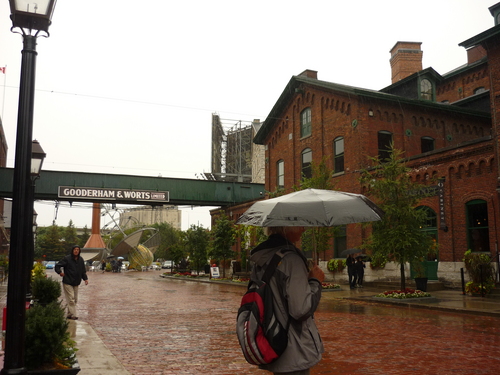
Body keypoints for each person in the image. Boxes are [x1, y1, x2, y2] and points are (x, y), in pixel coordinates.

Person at [249, 226, 324, 375]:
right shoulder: (291, 260)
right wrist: (315, 281)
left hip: (272, 338)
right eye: (299, 224)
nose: (303, 229)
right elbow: (300, 310)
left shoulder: (261, 258)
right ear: (285, 227)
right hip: (293, 347)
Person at [55, 245, 89, 320]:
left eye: (77, 249)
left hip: (76, 282)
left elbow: (83, 271)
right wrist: (60, 272)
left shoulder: (81, 260)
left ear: (79, 251)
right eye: (75, 249)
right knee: (71, 299)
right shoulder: (67, 259)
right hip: (68, 281)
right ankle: (74, 314)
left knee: (75, 299)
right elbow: (57, 266)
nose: (76, 251)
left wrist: (85, 279)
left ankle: (69, 314)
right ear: (72, 250)